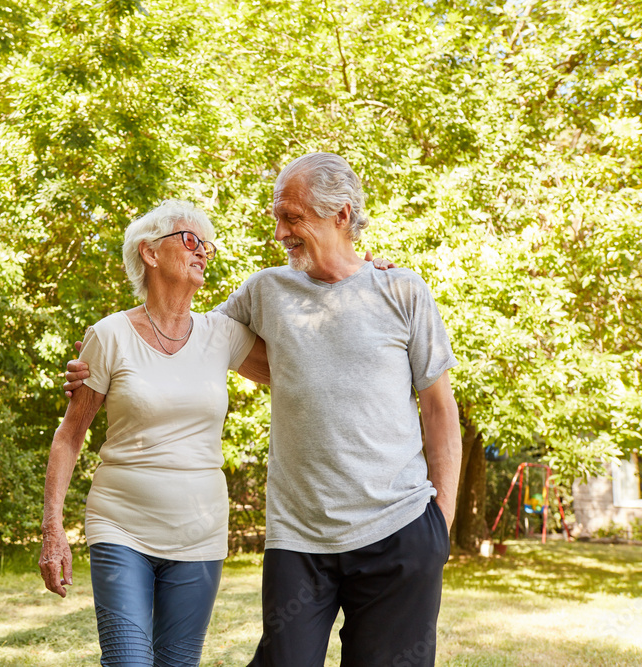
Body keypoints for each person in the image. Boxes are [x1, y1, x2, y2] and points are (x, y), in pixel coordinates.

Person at [65, 153, 462, 667]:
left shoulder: (402, 290)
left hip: (400, 530)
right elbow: (183, 338)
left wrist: (440, 527)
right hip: (299, 541)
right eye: (278, 216)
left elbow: (439, 412)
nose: (280, 232)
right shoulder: (266, 291)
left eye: (292, 217)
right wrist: (103, 353)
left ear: (341, 215)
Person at [38, 199, 270, 667]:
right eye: (190, 240)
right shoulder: (109, 336)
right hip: (121, 525)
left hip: (200, 536)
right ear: (149, 253)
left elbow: (304, 360)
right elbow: (70, 435)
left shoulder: (221, 334)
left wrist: (351, 272)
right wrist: (53, 530)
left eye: (207, 245)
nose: (202, 251)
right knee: (127, 661)